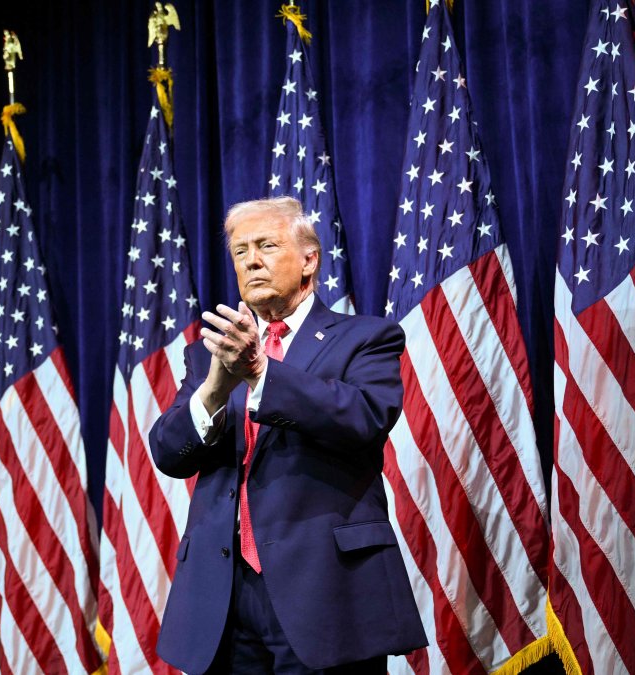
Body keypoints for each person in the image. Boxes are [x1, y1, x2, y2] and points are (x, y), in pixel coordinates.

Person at [149, 196, 427, 673]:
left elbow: (363, 419)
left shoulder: (365, 337)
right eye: (240, 251)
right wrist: (217, 386)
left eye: (267, 245)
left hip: (325, 593)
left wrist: (260, 371)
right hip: (223, 598)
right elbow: (170, 453)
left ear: (308, 260)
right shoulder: (210, 354)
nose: (251, 260)